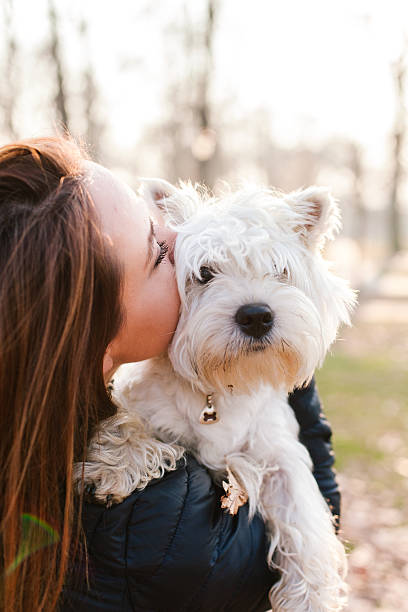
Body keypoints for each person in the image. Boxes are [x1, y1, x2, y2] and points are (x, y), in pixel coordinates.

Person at [0, 137, 340, 612]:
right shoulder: (156, 530)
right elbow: (302, 505)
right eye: (158, 252)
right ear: (94, 335)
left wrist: (287, 376)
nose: (179, 243)